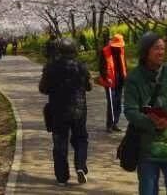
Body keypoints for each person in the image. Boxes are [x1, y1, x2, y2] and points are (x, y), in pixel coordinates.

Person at [124, 32, 167, 195]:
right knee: (148, 190)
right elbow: (130, 111)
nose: (161, 52)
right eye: (156, 48)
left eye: (163, 48)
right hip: (147, 147)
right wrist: (151, 121)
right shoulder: (134, 78)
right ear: (145, 52)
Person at [39, 38, 92, 187]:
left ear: (59, 50)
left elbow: (43, 89)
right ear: (75, 50)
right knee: (81, 139)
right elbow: (89, 87)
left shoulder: (50, 67)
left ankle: (62, 177)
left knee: (60, 142)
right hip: (79, 110)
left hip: (58, 110)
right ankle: (80, 166)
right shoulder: (82, 67)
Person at [97, 33, 127, 132]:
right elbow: (101, 67)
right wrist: (106, 77)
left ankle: (115, 123)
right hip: (109, 81)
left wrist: (126, 76)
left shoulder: (121, 50)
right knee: (111, 103)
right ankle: (109, 125)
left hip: (120, 79)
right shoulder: (105, 51)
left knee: (118, 103)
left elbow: (124, 64)